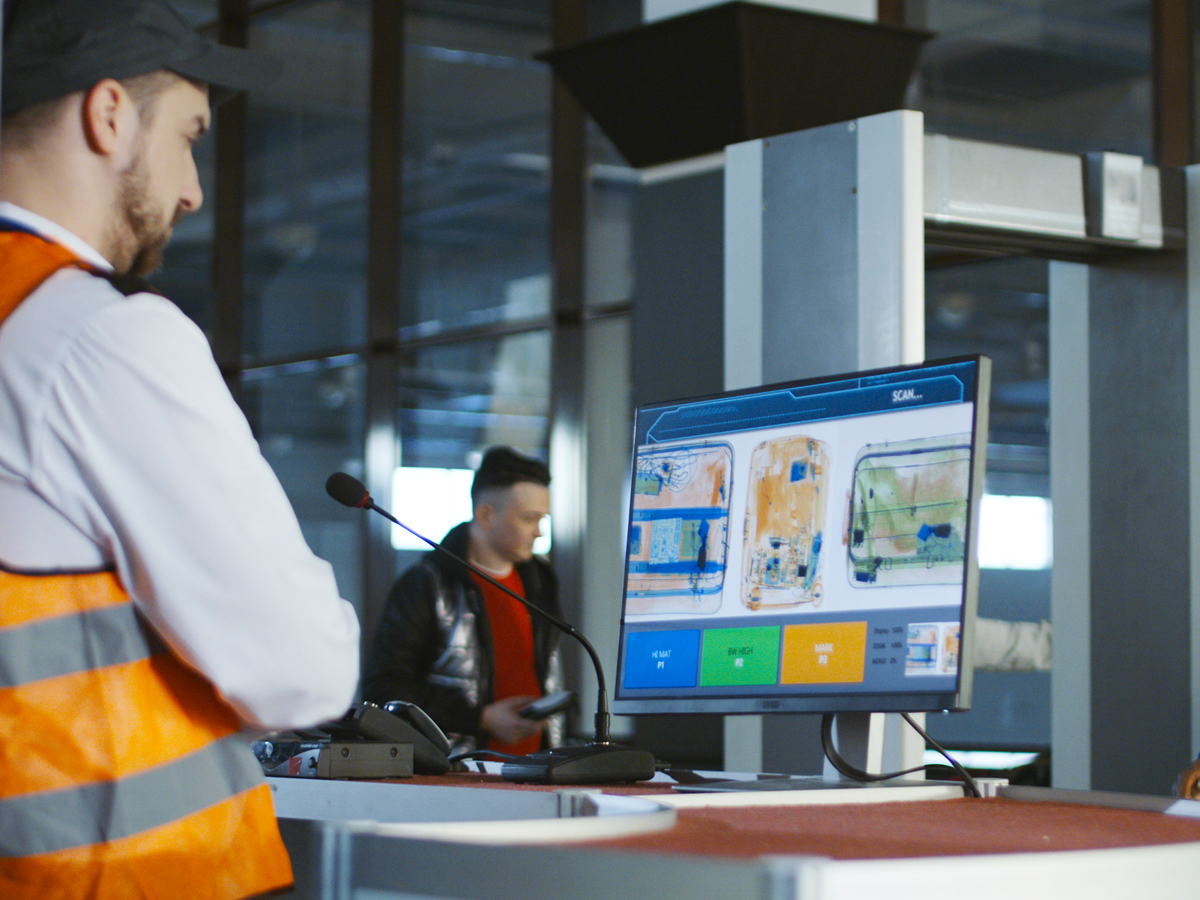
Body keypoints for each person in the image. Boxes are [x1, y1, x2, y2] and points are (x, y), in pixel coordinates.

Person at [0, 2, 360, 898]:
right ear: (109, 114)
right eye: (189, 136)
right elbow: (301, 671)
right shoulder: (97, 336)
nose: (193, 190)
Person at [362, 446, 565, 755]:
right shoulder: (427, 583)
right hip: (460, 768)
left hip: (538, 766)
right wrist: (479, 718)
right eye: (529, 519)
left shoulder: (540, 580)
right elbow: (383, 688)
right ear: (486, 515)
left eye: (542, 519)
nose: (539, 532)